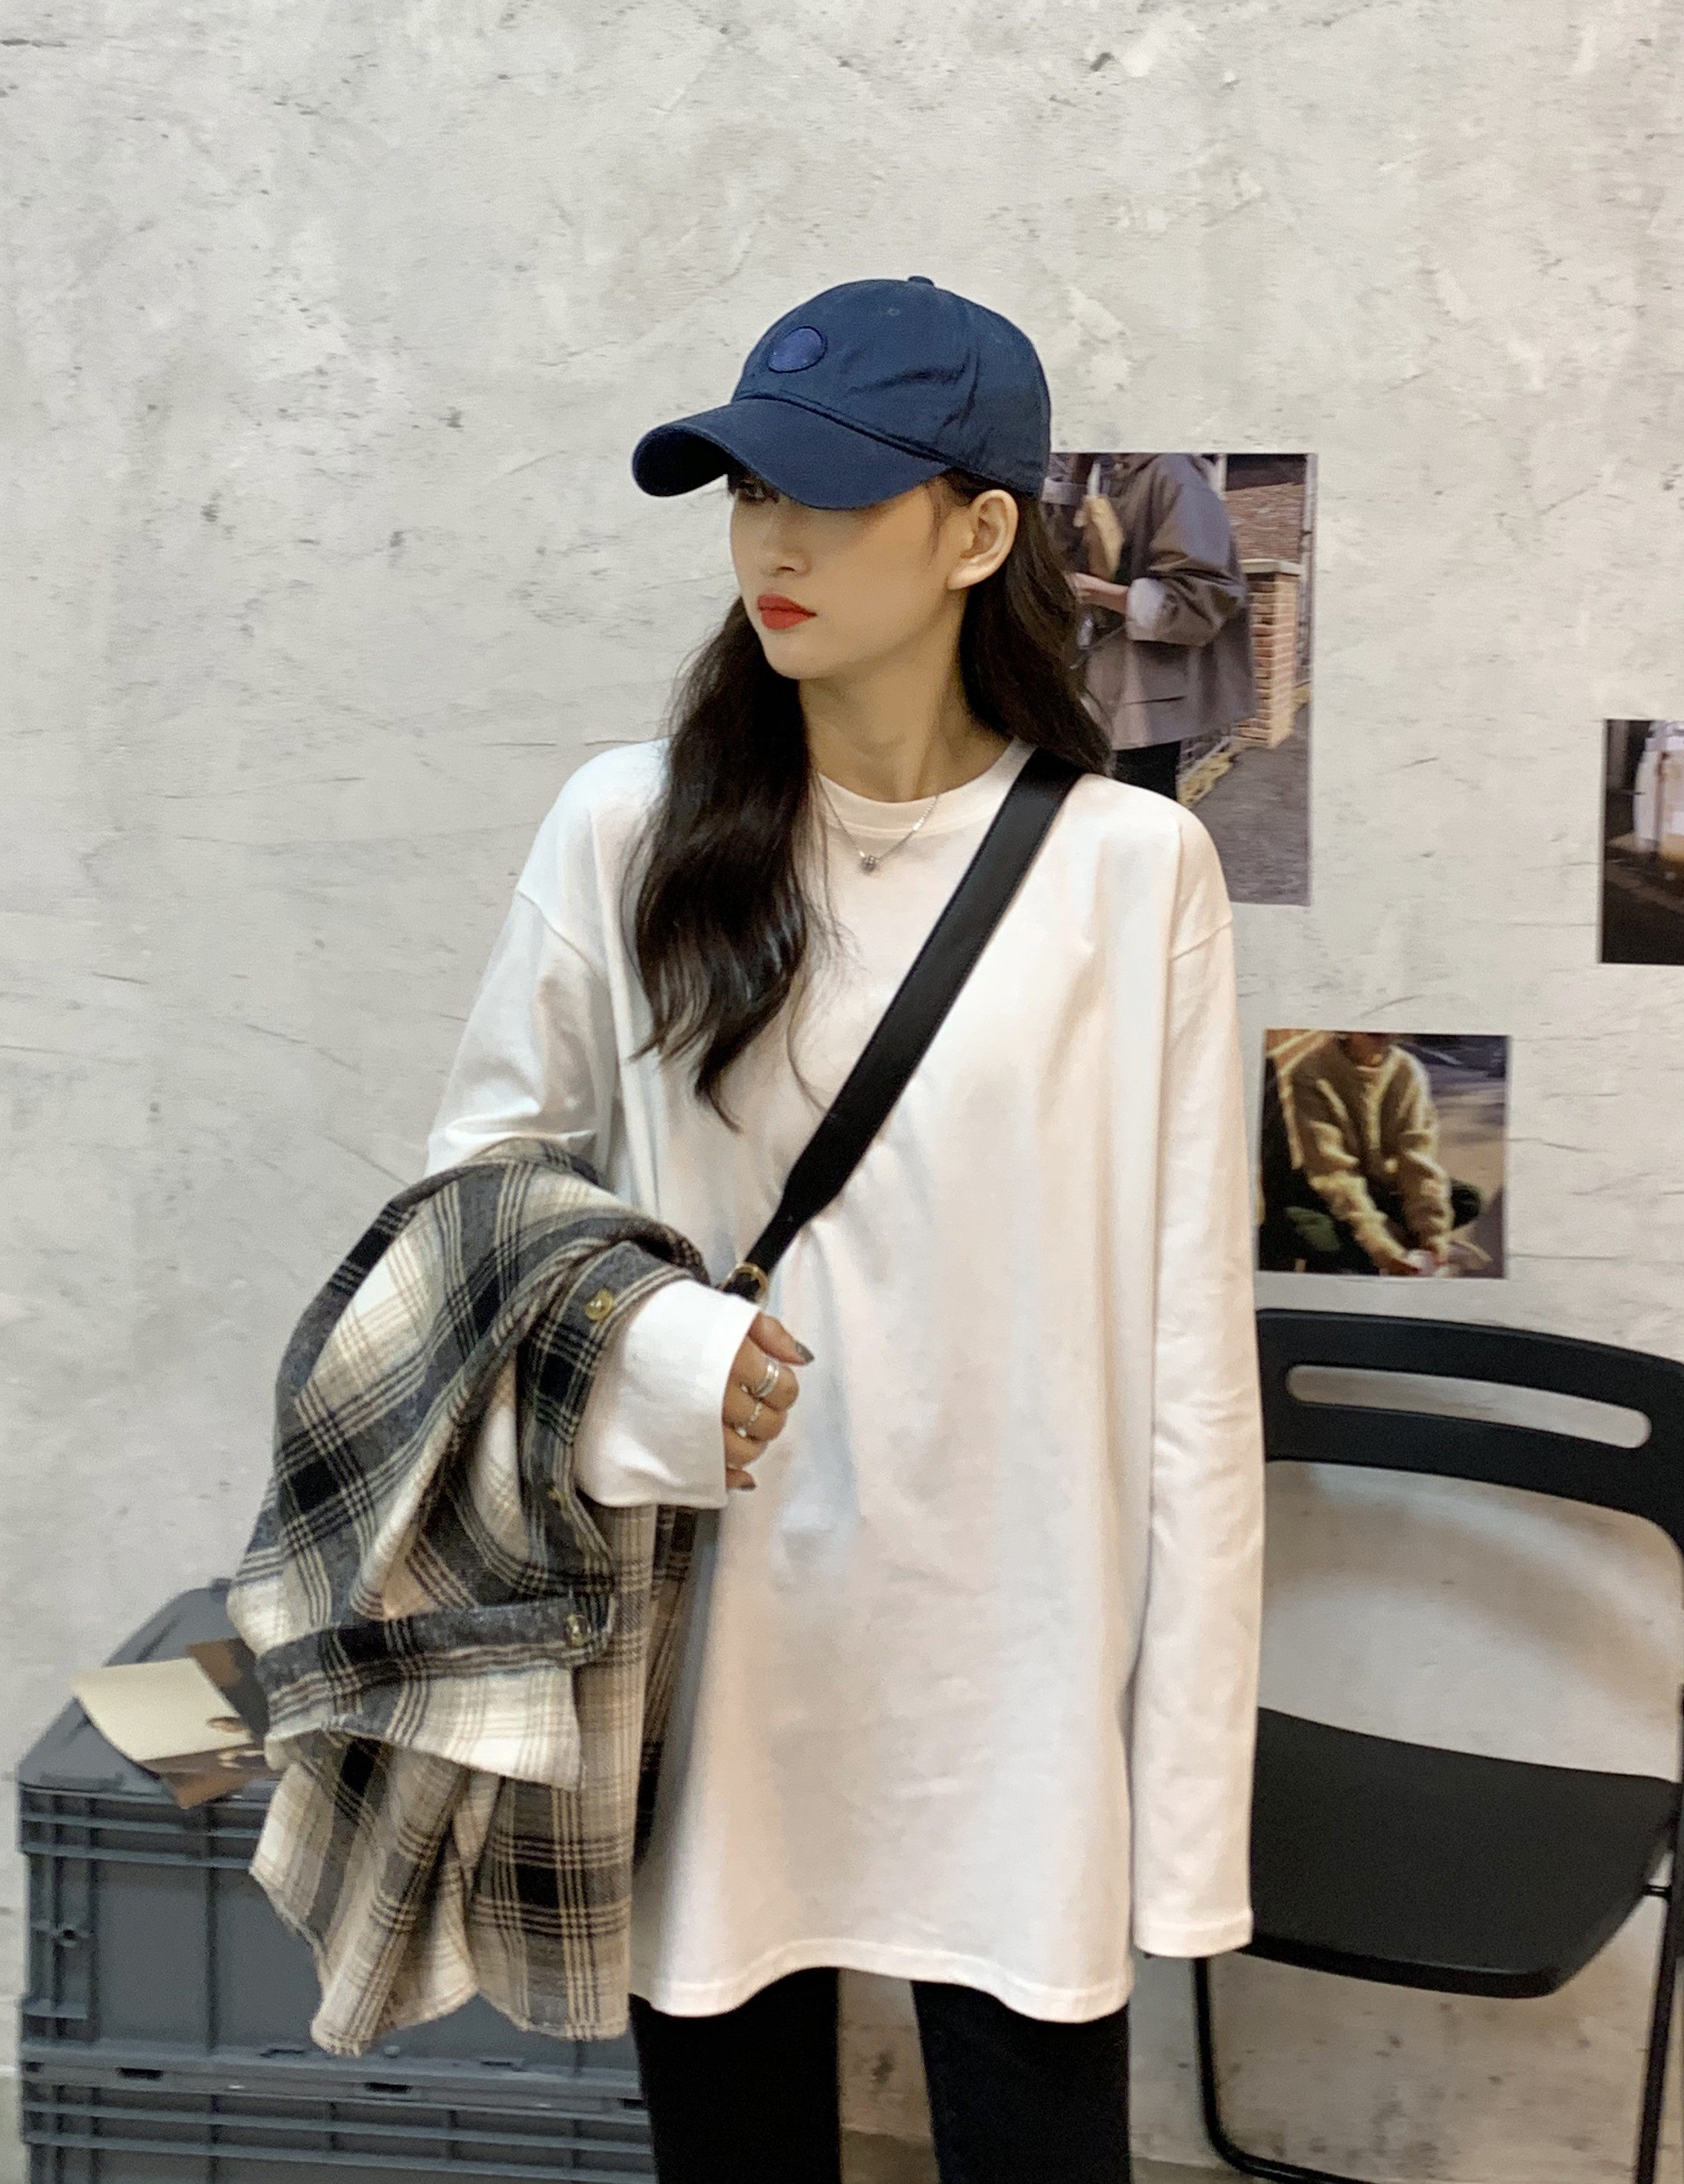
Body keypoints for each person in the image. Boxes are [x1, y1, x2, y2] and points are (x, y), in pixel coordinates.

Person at [420, 277, 1265, 2184]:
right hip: (717, 1638)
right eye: (744, 491)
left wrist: (1186, 1798)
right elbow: (475, 1196)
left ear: (978, 533)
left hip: (1015, 1663)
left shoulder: (1135, 871)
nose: (770, 544)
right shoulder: (630, 829)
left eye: (829, 494)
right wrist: (653, 1352)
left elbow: (1191, 1362)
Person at [1067, 452, 1257, 802]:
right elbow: (1057, 552)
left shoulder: (1174, 474)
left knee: (1140, 820)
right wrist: (1075, 478)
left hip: (1146, 706)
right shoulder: (1117, 475)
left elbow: (1201, 600)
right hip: (1110, 693)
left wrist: (1093, 591)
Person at [1258, 1033, 1481, 1277]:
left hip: (1384, 1187)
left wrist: (1432, 1234)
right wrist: (1380, 1246)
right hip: (1333, 1193)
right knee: (1296, 1225)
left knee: (1467, 1199)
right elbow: (1334, 1172)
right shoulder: (1312, 1072)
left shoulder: (1408, 1071)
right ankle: (1380, 1250)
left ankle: (1377, 1249)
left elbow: (1417, 1161)